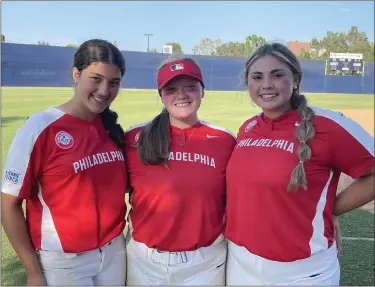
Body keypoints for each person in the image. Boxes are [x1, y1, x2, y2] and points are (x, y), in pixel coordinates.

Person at [225, 42, 375, 285]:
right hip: (241, 266)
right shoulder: (248, 127)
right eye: (257, 77)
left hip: (302, 273)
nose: (266, 85)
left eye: (277, 75)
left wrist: (333, 209)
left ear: (295, 79)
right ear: (248, 84)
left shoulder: (327, 125)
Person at [1, 39, 128, 286]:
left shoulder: (110, 129)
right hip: (64, 262)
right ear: (76, 74)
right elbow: (8, 204)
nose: (104, 91)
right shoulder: (39, 128)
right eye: (96, 79)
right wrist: (33, 271)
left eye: (114, 83)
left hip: (114, 252)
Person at [124, 55, 237, 285]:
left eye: (190, 87)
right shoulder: (135, 138)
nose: (181, 95)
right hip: (143, 263)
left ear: (202, 90)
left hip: (205, 264)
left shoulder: (224, 140)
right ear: (161, 95)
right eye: (171, 89)